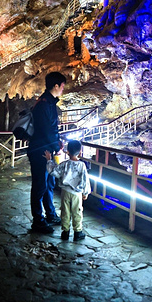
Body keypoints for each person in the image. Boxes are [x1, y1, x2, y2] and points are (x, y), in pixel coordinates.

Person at [27, 71, 66, 233]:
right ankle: (38, 221)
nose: (63, 90)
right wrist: (56, 147)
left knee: (48, 183)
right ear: (55, 86)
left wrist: (57, 143)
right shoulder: (44, 104)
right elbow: (46, 130)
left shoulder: (48, 103)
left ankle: (50, 214)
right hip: (41, 152)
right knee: (39, 185)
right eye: (62, 86)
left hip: (46, 149)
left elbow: (50, 129)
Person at [44, 139, 91, 241]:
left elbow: (53, 172)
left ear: (67, 151)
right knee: (77, 212)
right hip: (77, 193)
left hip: (65, 192)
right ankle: (78, 232)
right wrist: (86, 192)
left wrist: (49, 160)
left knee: (65, 212)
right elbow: (85, 180)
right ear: (80, 152)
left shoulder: (64, 164)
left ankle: (65, 232)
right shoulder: (82, 165)